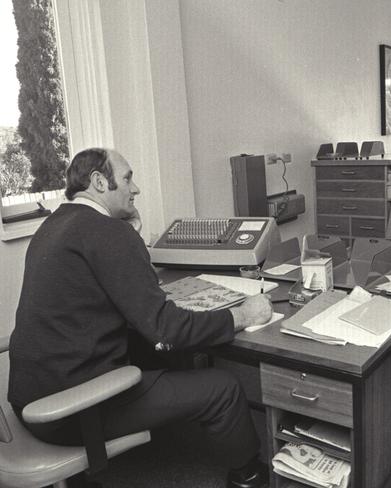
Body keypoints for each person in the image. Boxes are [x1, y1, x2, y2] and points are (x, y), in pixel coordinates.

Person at [8, 148, 271, 488]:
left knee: (153, 352)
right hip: (73, 409)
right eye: (128, 178)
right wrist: (243, 313)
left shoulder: (54, 225)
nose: (136, 189)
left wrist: (129, 235)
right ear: (100, 182)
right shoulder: (107, 233)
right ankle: (248, 476)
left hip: (31, 401)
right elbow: (167, 329)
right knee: (224, 387)